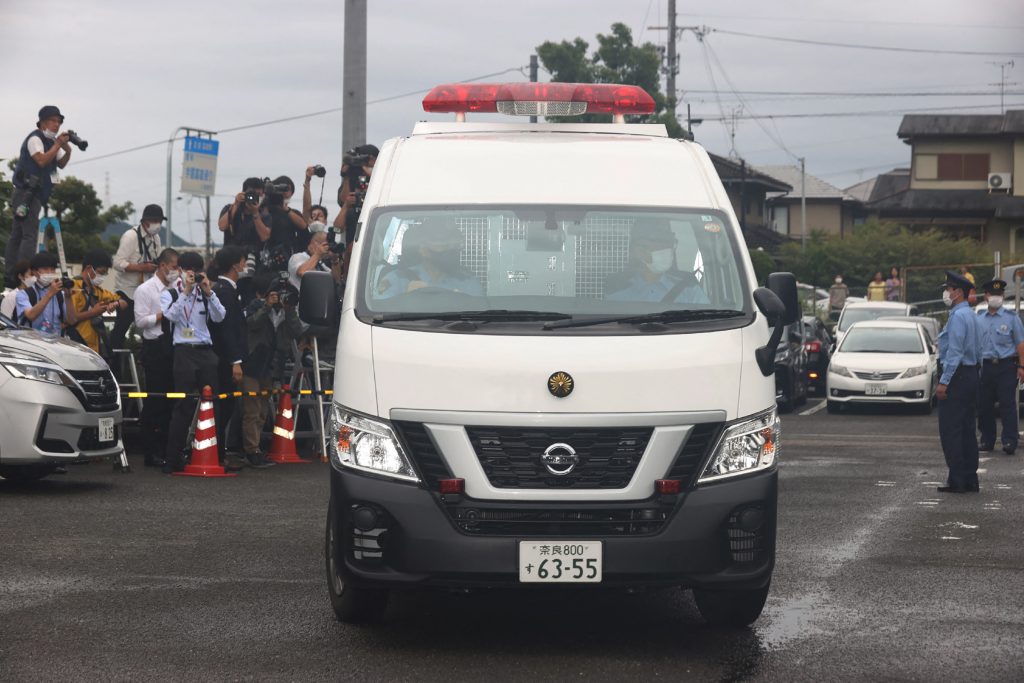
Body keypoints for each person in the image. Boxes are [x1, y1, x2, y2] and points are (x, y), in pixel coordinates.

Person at [160, 251, 227, 473]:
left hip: (205, 351)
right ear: (180, 271)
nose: (194, 275)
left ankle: (217, 456)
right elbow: (171, 316)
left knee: (214, 403)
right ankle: (172, 459)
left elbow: (220, 317)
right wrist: (186, 292)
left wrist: (208, 292)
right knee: (183, 406)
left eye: (197, 271)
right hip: (183, 352)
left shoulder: (205, 291)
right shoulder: (170, 292)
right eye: (190, 271)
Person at [5, 106, 73, 287]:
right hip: (26, 194)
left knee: (18, 234)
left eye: (59, 122)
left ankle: (12, 274)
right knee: (29, 235)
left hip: (35, 195)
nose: (57, 125)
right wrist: (58, 144)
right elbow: (41, 160)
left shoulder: (51, 142)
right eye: (53, 121)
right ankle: (23, 274)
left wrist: (68, 148)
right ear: (43, 122)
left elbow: (61, 163)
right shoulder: (35, 138)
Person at [240, 274, 303, 468]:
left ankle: (256, 448)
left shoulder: (286, 311)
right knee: (252, 409)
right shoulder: (255, 306)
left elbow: (297, 331)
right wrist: (266, 305)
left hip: (271, 365)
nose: (281, 298)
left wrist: (290, 309)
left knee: (263, 410)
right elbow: (251, 324)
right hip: (252, 364)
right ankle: (251, 451)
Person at [936, 270, 981, 493]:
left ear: (958, 292)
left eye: (949, 289)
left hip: (957, 376)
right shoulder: (972, 315)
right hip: (971, 375)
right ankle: (970, 478)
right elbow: (979, 349)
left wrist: (944, 382)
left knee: (951, 430)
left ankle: (957, 479)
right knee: (967, 429)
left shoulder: (958, 317)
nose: (946, 293)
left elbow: (954, 353)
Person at [133, 248, 179, 468]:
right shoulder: (146, 290)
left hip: (174, 346)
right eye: (173, 267)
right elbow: (140, 321)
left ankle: (168, 448)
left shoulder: (177, 289)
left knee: (173, 400)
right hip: (155, 346)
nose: (176, 271)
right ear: (162, 266)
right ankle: (150, 451)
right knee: (156, 399)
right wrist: (164, 315)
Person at [604, 218, 708, 304]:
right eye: (659, 243)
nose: (668, 249)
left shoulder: (689, 288)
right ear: (639, 251)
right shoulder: (618, 289)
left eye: (669, 243)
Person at [209, 247, 250, 469]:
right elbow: (226, 330)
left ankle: (220, 453)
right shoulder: (224, 291)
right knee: (223, 407)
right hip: (224, 359)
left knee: (226, 407)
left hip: (226, 358)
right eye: (244, 259)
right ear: (235, 264)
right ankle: (217, 455)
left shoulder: (227, 289)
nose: (245, 264)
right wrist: (235, 361)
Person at [975, 279, 1024, 456]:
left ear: (1002, 296)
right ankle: (987, 440)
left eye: (999, 294)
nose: (996, 297)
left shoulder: (1012, 318)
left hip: (1006, 366)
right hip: (986, 367)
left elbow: (1020, 344)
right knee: (985, 406)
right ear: (986, 296)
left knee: (1007, 405)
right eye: (993, 294)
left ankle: (1010, 441)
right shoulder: (979, 319)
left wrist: (1022, 366)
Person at [376, 218, 483, 298]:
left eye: (454, 244)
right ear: (423, 249)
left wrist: (464, 303)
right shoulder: (395, 279)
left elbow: (479, 321)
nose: (450, 248)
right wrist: (405, 299)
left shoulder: (469, 283)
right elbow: (378, 318)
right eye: (443, 243)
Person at [110, 204, 164, 353]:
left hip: (146, 290)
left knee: (150, 329)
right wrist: (141, 267)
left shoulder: (156, 238)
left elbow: (157, 260)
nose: (158, 224)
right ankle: (113, 363)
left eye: (160, 221)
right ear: (146, 221)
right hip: (127, 291)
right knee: (120, 330)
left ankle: (144, 359)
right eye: (155, 220)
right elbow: (117, 263)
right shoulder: (131, 236)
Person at [67, 249, 129, 358]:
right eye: (101, 272)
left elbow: (124, 303)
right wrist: (93, 312)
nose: (103, 276)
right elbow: (71, 318)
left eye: (106, 273)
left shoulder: (97, 291)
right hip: (75, 346)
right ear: (88, 268)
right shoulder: (73, 288)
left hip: (93, 350)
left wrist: (116, 304)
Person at [15, 252, 76, 335]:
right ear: (35, 271)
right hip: (31, 343)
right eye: (45, 269)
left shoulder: (59, 294)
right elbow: (31, 315)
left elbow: (72, 320)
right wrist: (50, 294)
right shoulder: (23, 294)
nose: (50, 272)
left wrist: (68, 297)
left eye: (52, 269)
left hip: (55, 343)